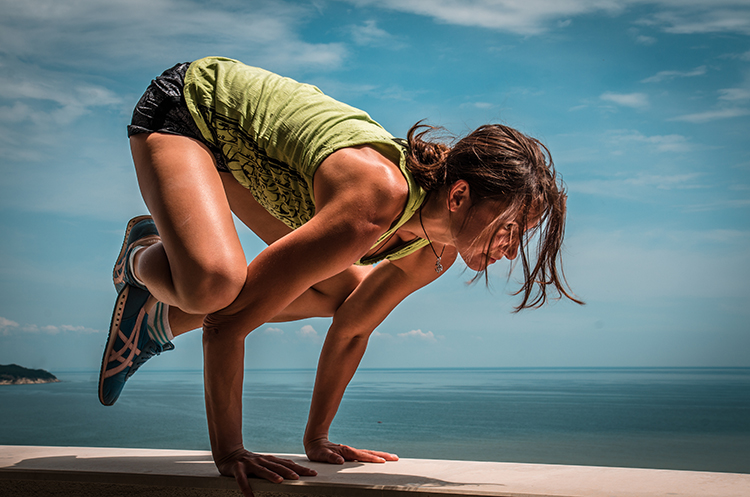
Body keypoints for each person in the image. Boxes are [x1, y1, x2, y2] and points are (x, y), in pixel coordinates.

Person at [98, 56, 582, 496]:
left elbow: (353, 326)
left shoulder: (433, 252)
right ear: (458, 197)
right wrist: (230, 452)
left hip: (253, 166)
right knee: (215, 288)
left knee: (345, 291)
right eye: (508, 229)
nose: (512, 249)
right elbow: (227, 325)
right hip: (191, 111)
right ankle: (140, 258)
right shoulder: (374, 200)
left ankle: (154, 320)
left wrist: (317, 439)